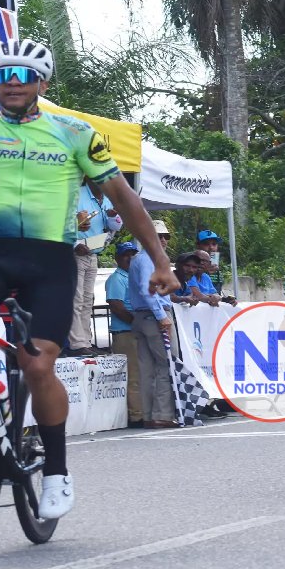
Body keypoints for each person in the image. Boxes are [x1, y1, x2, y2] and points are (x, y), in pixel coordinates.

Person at [0, 12, 178, 519]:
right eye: (4, 75)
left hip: (51, 261)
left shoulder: (73, 132)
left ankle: (58, 473)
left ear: (42, 83)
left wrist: (161, 260)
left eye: (25, 76)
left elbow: (123, 197)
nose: (14, 83)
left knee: (37, 364)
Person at [128, 221, 180, 428]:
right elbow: (145, 289)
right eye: (159, 236)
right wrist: (161, 316)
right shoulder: (148, 259)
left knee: (147, 368)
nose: (164, 240)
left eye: (166, 236)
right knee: (166, 364)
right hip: (153, 315)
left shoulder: (137, 260)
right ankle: (162, 414)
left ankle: (150, 415)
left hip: (142, 316)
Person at [68, 178, 123, 354]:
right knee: (76, 299)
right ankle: (77, 343)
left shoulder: (106, 199)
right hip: (76, 253)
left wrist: (114, 216)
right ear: (88, 178)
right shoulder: (76, 195)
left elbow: (116, 226)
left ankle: (85, 340)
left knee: (87, 299)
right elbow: (62, 225)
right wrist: (75, 244)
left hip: (93, 253)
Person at [105, 242, 141, 426]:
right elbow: (117, 306)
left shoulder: (134, 277)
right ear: (117, 258)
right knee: (133, 376)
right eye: (125, 255)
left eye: (133, 255)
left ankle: (141, 412)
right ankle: (136, 416)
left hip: (135, 331)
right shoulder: (116, 278)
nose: (130, 258)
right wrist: (138, 323)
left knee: (141, 374)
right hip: (126, 332)